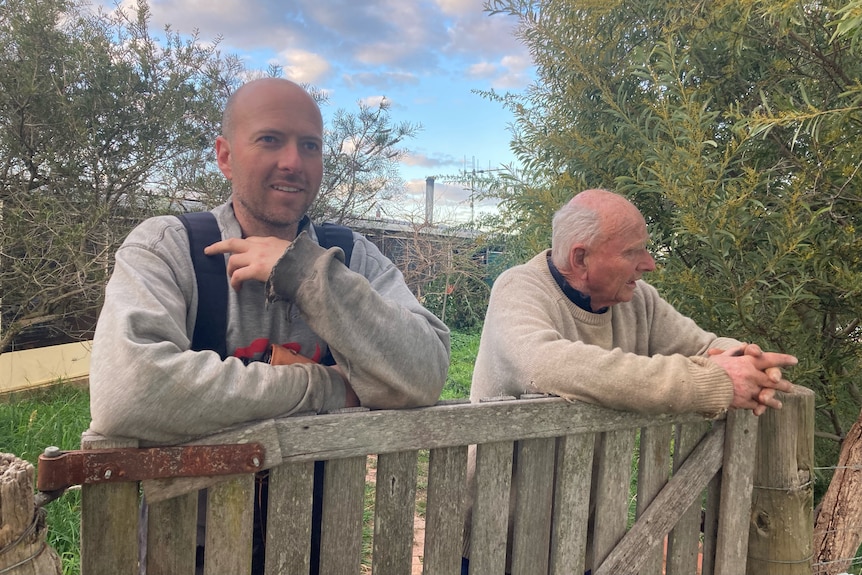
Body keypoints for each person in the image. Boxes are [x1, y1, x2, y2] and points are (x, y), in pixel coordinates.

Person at [88, 78, 450, 572]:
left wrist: (304, 273)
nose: (293, 162)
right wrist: (326, 387)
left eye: (310, 145)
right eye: (269, 139)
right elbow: (128, 393)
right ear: (225, 155)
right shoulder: (167, 249)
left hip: (323, 544)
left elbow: (426, 371)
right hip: (191, 553)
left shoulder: (353, 257)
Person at [461, 188, 796, 574]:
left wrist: (747, 360)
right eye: (632, 252)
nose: (649, 264)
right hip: (500, 538)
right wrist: (713, 384)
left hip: (589, 541)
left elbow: (704, 347)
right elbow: (550, 366)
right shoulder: (519, 288)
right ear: (581, 257)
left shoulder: (639, 301)